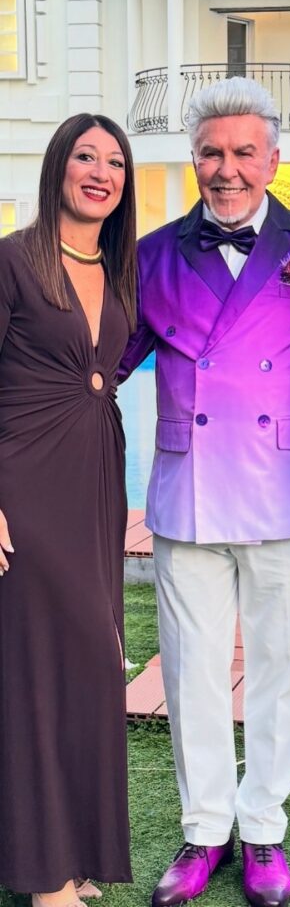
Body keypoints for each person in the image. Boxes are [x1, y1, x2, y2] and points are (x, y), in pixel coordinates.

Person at [118, 77, 290, 907]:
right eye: (211, 153)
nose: (227, 168)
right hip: (190, 491)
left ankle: (265, 830)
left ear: (273, 160)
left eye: (244, 152)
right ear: (193, 161)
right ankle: (205, 829)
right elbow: (104, 361)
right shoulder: (151, 254)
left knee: (281, 668)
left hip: (284, 487)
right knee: (192, 672)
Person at [0, 114, 137, 907]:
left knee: (91, 662)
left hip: (94, 480)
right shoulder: (13, 260)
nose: (100, 172)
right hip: (24, 480)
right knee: (41, 666)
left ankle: (73, 854)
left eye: (114, 162)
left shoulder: (117, 271)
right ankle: (43, 875)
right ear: (58, 165)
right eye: (85, 156)